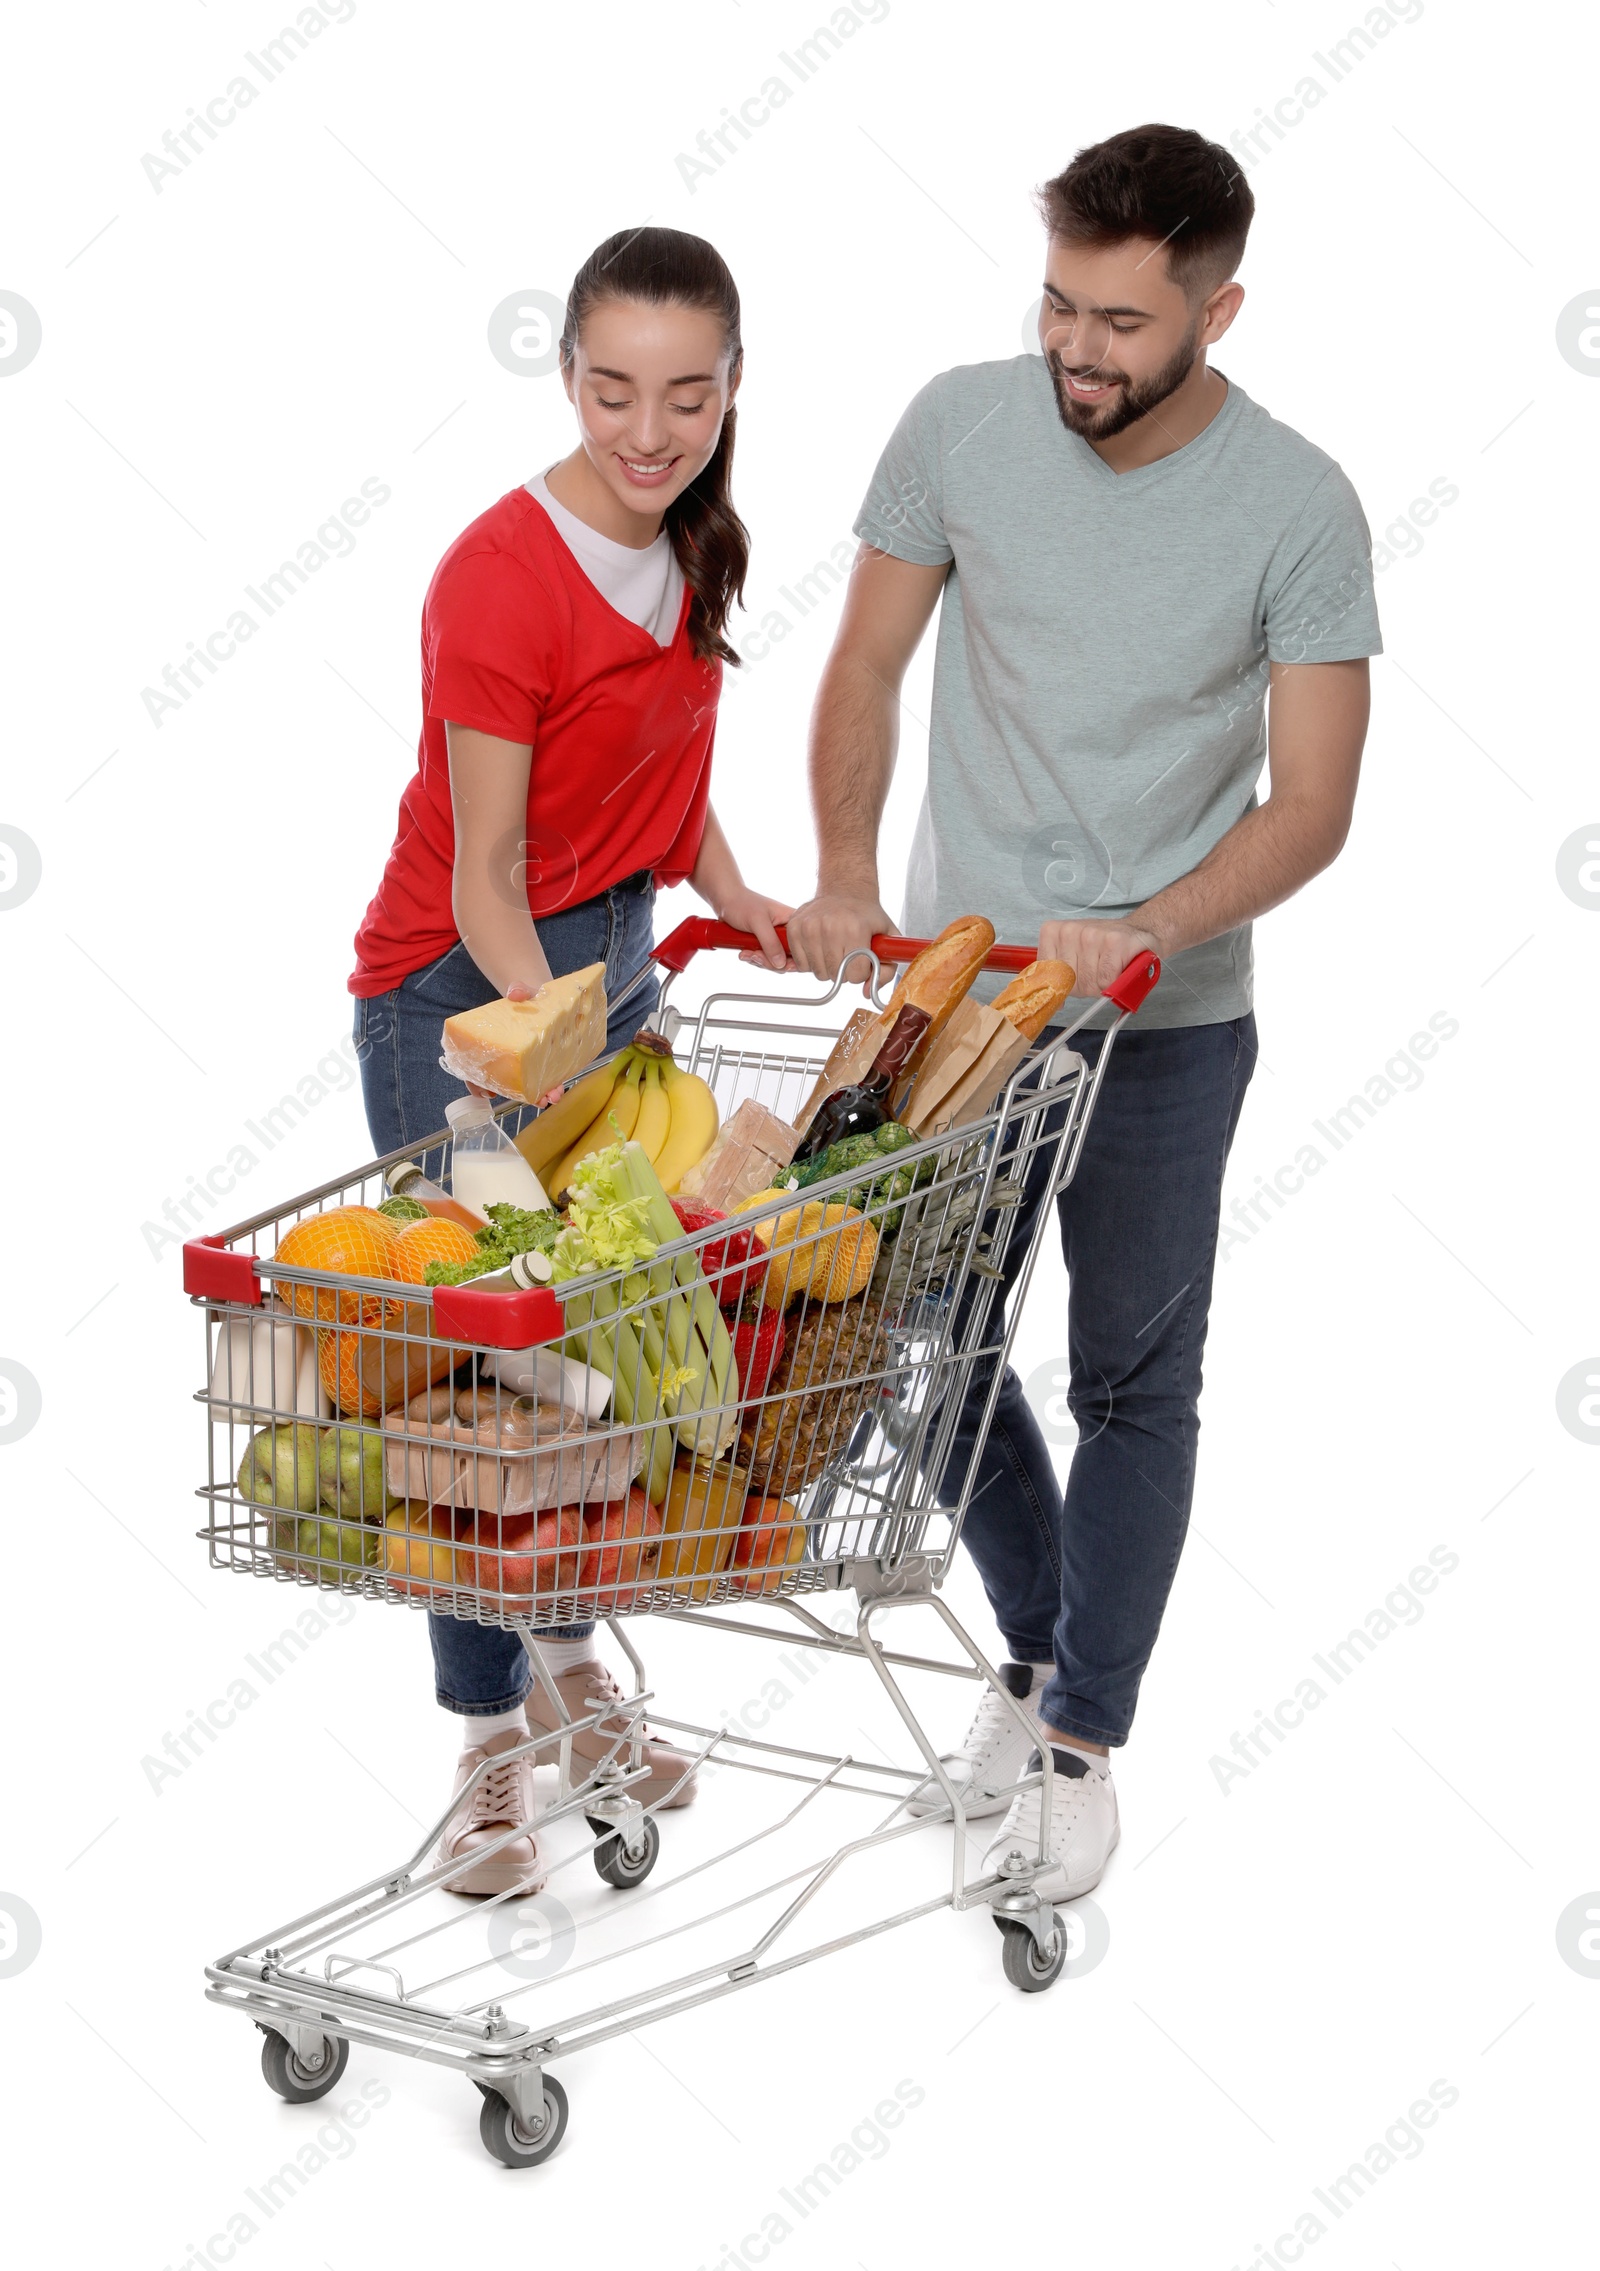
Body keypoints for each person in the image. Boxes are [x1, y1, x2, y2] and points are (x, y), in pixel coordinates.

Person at [787, 125, 1380, 1900]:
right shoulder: (959, 424)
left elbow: (1316, 801)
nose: (1076, 351)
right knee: (920, 1348)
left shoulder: (1300, 503)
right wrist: (839, 872)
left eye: (1120, 322)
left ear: (1221, 308)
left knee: (1132, 1381)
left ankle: (1075, 1742)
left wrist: (1154, 926)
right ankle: (1038, 1647)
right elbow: (870, 665)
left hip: (1169, 1020)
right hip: (961, 1012)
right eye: (1058, 301)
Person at [350, 226, 792, 1896]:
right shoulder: (499, 577)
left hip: (601, 960)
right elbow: (483, 868)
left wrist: (733, 891)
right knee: (479, 1371)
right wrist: (544, 1042)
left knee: (596, 1353)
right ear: (568, 378)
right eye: (613, 393)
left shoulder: (694, 542)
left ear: (734, 388)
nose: (649, 432)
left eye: (687, 397)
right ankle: (487, 1745)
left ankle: (572, 1666)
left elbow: (670, 763)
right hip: (463, 992)